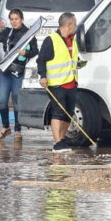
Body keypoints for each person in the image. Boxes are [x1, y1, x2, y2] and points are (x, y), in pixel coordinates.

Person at [0, 9, 38, 140]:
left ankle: (18, 129)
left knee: (16, 102)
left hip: (18, 72)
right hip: (6, 71)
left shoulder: (28, 34)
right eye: (12, 19)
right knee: (2, 101)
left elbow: (35, 51)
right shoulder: (7, 33)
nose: (14, 22)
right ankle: (6, 127)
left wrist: (25, 53)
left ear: (22, 19)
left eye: (16, 19)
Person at [37, 12, 85, 153]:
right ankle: (57, 143)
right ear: (69, 24)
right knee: (58, 112)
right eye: (75, 23)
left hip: (71, 82)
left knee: (68, 113)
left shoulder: (73, 40)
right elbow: (41, 59)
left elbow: (69, 59)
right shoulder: (51, 40)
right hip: (56, 84)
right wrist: (43, 76)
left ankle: (62, 140)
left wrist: (78, 63)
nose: (76, 26)